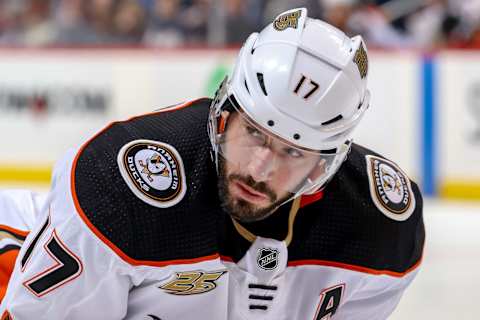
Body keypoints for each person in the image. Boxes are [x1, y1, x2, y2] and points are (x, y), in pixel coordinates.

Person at [0, 7, 424, 319]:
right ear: (223, 116)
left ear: (324, 166)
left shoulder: (381, 229)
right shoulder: (119, 187)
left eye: (293, 152)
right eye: (254, 134)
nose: (259, 169)